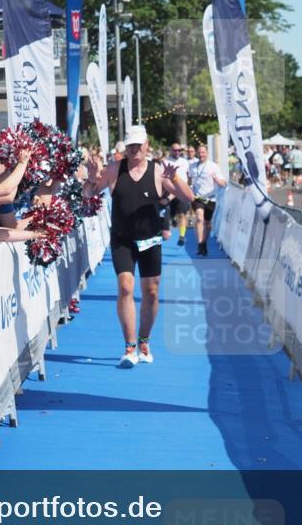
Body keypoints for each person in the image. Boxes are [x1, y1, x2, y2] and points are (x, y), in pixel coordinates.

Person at [83, 125, 193, 367]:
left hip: (150, 240)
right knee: (125, 287)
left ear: (146, 145)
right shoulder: (115, 169)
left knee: (151, 292)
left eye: (138, 145)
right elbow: (88, 195)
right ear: (126, 147)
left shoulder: (158, 171)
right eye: (130, 145)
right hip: (122, 238)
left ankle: (144, 341)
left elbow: (188, 197)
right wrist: (91, 178)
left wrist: (174, 178)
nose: (134, 149)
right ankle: (130, 346)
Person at [188, 142, 228, 256]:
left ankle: (204, 243)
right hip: (197, 197)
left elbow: (223, 183)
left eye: (203, 152)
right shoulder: (192, 166)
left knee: (207, 223)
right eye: (199, 152)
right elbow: (189, 180)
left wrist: (217, 180)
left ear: (207, 153)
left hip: (210, 198)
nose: (201, 155)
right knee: (199, 218)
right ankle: (200, 243)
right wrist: (189, 190)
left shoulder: (213, 166)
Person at [164, 142, 191, 246]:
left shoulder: (185, 162)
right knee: (169, 212)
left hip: (181, 191)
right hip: (169, 191)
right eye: (175, 150)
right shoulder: (165, 162)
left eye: (179, 150)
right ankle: (172, 219)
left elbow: (189, 176)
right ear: (171, 150)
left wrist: (189, 188)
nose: (177, 152)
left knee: (182, 213)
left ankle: (182, 236)